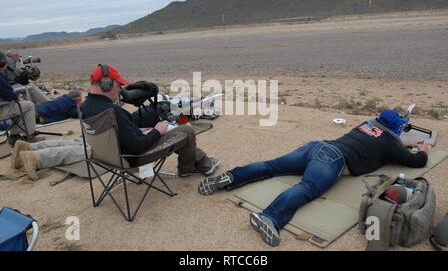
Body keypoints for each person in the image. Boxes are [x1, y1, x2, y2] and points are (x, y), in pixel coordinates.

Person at [198, 109, 431, 247]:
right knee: (308, 188)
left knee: (271, 166)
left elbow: (386, 143)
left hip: (316, 147)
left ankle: (231, 177)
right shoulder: (390, 143)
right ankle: (269, 217)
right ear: (397, 129)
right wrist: (423, 150)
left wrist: (403, 144)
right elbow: (415, 161)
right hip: (334, 160)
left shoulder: (367, 125)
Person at [12, 64, 220, 180]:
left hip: (106, 154)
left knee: (75, 144)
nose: (121, 90)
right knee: (186, 130)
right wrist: (157, 130)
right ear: (105, 83)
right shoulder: (112, 111)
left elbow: (125, 130)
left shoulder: (86, 106)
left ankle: (30, 147)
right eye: (118, 85)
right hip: (128, 159)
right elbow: (136, 147)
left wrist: (143, 127)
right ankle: (188, 168)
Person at [0, 50, 42, 146]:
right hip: (2, 110)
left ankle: (15, 136)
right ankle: (29, 136)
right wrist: (18, 97)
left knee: (19, 106)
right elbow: (8, 94)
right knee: (29, 105)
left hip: (3, 106)